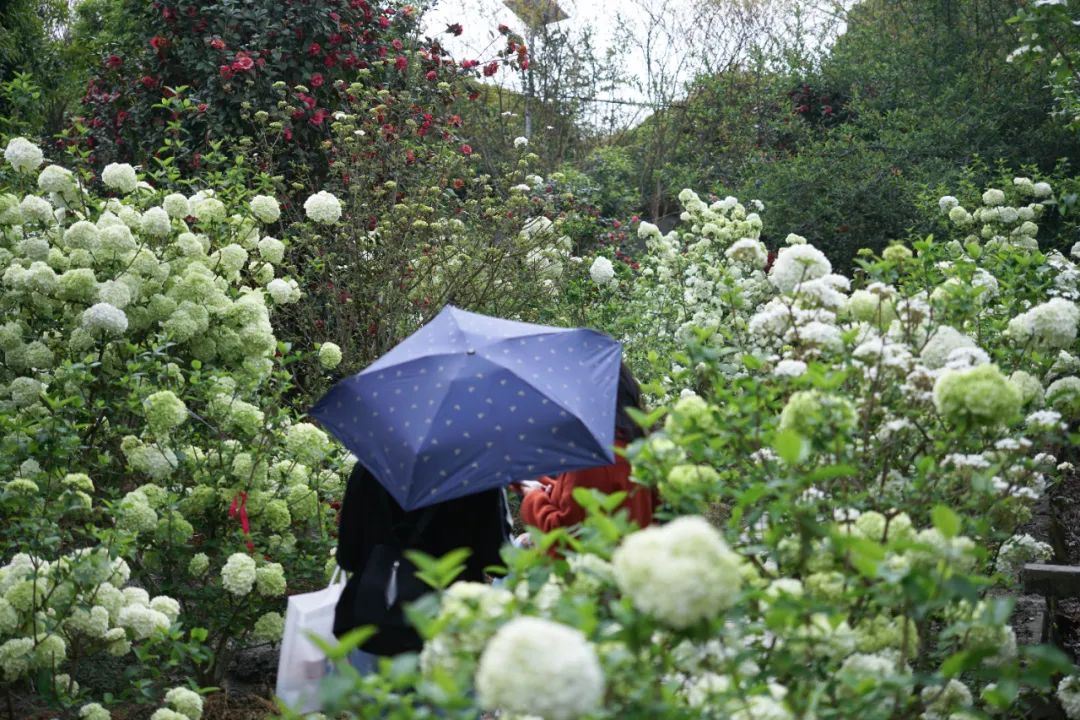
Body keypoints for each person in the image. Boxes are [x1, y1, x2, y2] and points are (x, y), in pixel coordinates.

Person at [333, 462, 508, 672]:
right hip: (449, 629)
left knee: (373, 690)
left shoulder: (371, 467)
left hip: (375, 620)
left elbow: (348, 558)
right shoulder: (478, 474)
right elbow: (498, 564)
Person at [517, 362, 655, 537]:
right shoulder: (634, 445)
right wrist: (540, 485)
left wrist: (533, 498)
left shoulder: (594, 458)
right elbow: (587, 496)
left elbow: (565, 536)